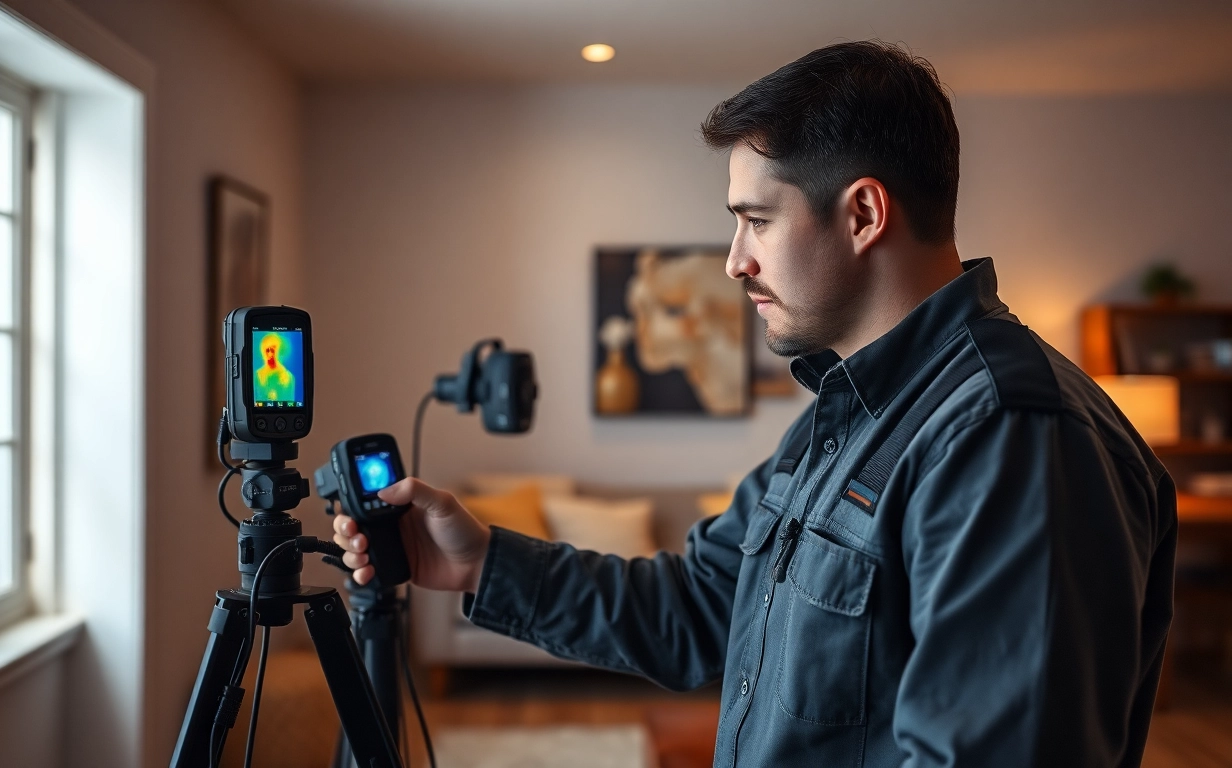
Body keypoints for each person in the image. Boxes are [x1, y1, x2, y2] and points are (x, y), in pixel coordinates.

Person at [332, 41, 1176, 767]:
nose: (735, 260)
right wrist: (481, 563)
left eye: (757, 220)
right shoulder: (846, 412)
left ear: (863, 214)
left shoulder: (1009, 435)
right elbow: (700, 605)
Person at [255, 332, 295, 403]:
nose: (270, 354)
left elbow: (290, 402)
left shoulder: (288, 377)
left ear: (279, 351)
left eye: (273, 350)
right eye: (267, 350)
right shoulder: (257, 375)